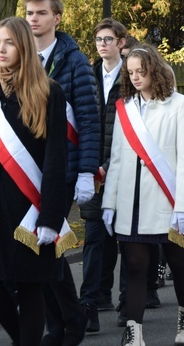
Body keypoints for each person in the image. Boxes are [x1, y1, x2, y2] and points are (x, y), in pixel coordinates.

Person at [0, 16, 71, 346]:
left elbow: (55, 160)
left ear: (23, 45)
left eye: (8, 42)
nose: (1, 49)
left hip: (29, 209)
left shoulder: (50, 92)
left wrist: (50, 217)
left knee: (30, 286)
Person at [102, 44, 184, 345]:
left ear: (154, 70)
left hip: (167, 200)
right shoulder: (125, 107)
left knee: (176, 259)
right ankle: (134, 330)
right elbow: (118, 158)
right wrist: (109, 202)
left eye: (140, 71)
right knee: (134, 266)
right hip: (130, 204)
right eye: (130, 72)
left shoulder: (180, 105)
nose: (135, 77)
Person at [24, 0, 100, 345]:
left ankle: (67, 320)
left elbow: (87, 119)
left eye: (41, 13)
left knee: (48, 243)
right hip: (26, 169)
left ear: (57, 18)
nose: (34, 19)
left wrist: (86, 170)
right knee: (40, 247)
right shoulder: (21, 60)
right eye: (30, 14)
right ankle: (66, 319)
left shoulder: (75, 60)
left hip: (63, 170)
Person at [76, 18, 127, 333]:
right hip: (93, 174)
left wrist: (112, 164)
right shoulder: (88, 77)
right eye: (98, 40)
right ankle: (89, 306)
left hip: (125, 173)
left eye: (108, 39)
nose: (103, 45)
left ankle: (127, 301)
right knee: (94, 240)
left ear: (121, 42)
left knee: (126, 241)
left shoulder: (133, 77)